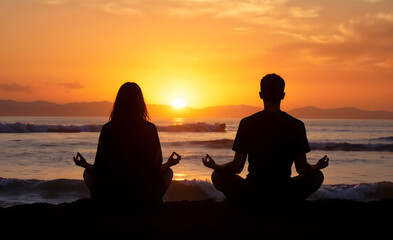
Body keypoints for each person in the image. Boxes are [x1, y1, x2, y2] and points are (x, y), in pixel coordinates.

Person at [202, 73, 329, 204]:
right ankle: (288, 201)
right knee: (317, 176)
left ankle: (244, 202)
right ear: (283, 95)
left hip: (252, 191)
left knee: (217, 175)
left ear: (261, 95)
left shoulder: (247, 123)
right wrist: (316, 166)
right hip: (284, 190)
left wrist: (215, 165)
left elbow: (237, 166)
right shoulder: (296, 125)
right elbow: (302, 169)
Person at [73, 82, 181, 206]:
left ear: (118, 103)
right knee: (168, 172)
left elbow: (100, 168)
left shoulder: (109, 128)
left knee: (87, 173)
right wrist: (169, 163)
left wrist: (84, 164)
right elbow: (154, 168)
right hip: (144, 194)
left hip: (113, 194)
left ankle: (104, 203)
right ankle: (153, 203)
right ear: (140, 103)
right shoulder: (150, 128)